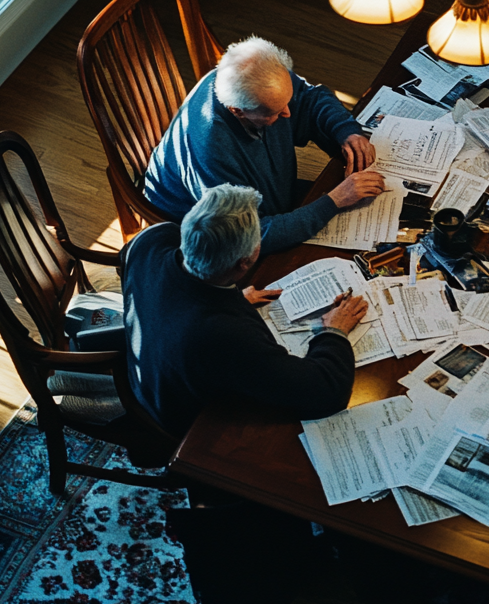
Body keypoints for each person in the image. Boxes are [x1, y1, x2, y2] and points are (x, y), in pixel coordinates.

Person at [122, 183, 366, 438]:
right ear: (244, 263)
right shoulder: (224, 333)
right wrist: (334, 331)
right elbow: (327, 391)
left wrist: (230, 295)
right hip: (190, 423)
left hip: (148, 372)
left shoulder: (150, 239)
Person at [144, 36, 385, 255]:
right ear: (237, 111)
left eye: (287, 101)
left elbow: (309, 99)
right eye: (276, 112)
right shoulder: (211, 150)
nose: (289, 113)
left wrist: (347, 132)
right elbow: (247, 236)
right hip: (212, 235)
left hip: (270, 198)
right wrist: (334, 201)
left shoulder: (264, 75)